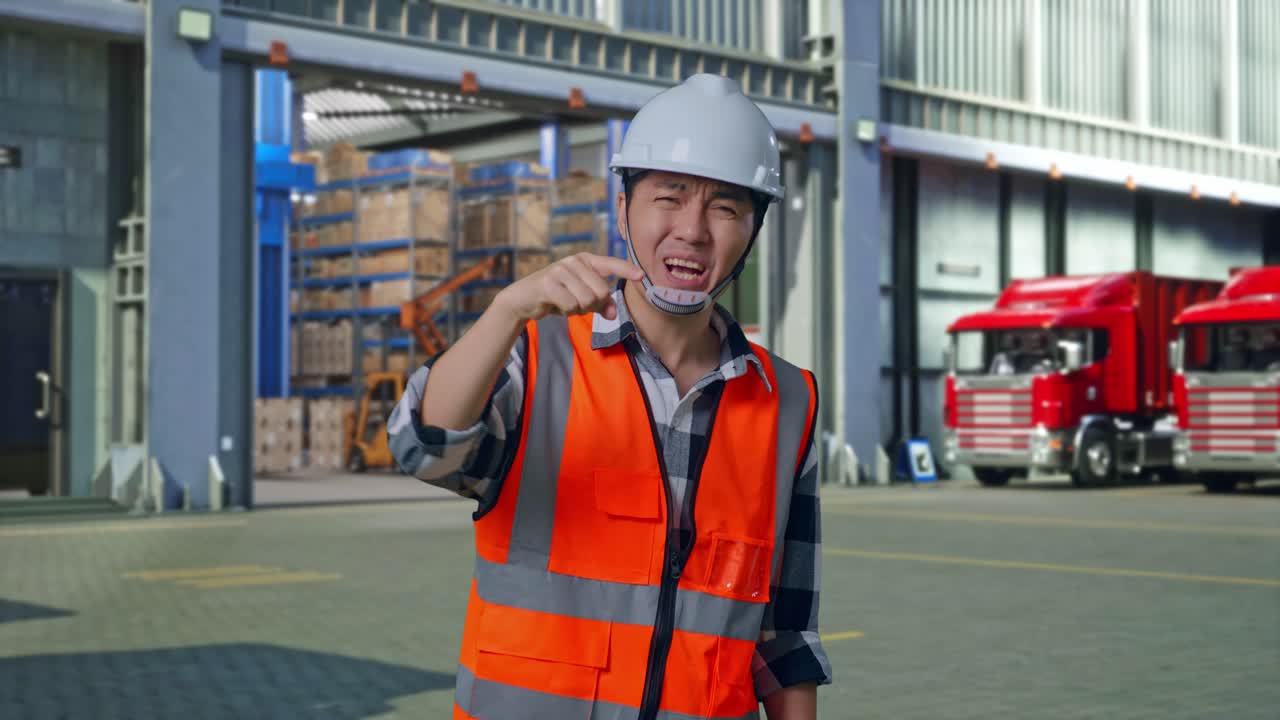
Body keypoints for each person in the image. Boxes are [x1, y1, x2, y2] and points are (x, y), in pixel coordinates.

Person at [388, 73, 831, 720]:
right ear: (623, 211)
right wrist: (508, 310)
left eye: (726, 208)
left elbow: (786, 635)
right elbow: (422, 449)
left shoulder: (788, 400)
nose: (693, 230)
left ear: (752, 233)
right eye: (668, 199)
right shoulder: (536, 360)